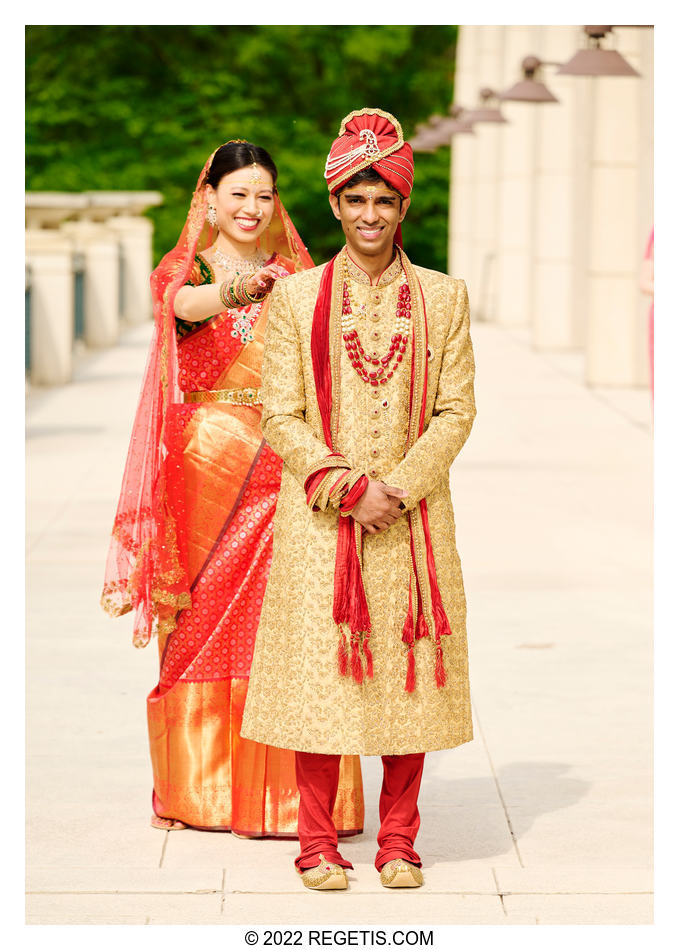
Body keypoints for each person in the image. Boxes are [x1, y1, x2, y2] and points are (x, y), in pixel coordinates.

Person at [240, 109, 476, 888]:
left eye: (384, 201)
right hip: (320, 518)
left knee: (405, 675)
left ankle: (400, 840)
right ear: (334, 205)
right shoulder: (296, 298)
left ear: (403, 207)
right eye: (355, 200)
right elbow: (279, 412)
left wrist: (397, 489)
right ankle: (316, 843)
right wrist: (345, 488)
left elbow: (456, 409)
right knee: (323, 676)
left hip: (410, 517)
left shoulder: (443, 297)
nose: (369, 215)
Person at [101, 141, 364, 837]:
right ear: (209, 200)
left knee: (288, 624)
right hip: (208, 464)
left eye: (264, 195)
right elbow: (183, 306)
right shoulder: (189, 269)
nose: (252, 208)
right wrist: (242, 290)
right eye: (238, 194)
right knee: (197, 622)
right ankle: (198, 790)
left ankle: (296, 798)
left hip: (285, 463)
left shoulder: (299, 274)